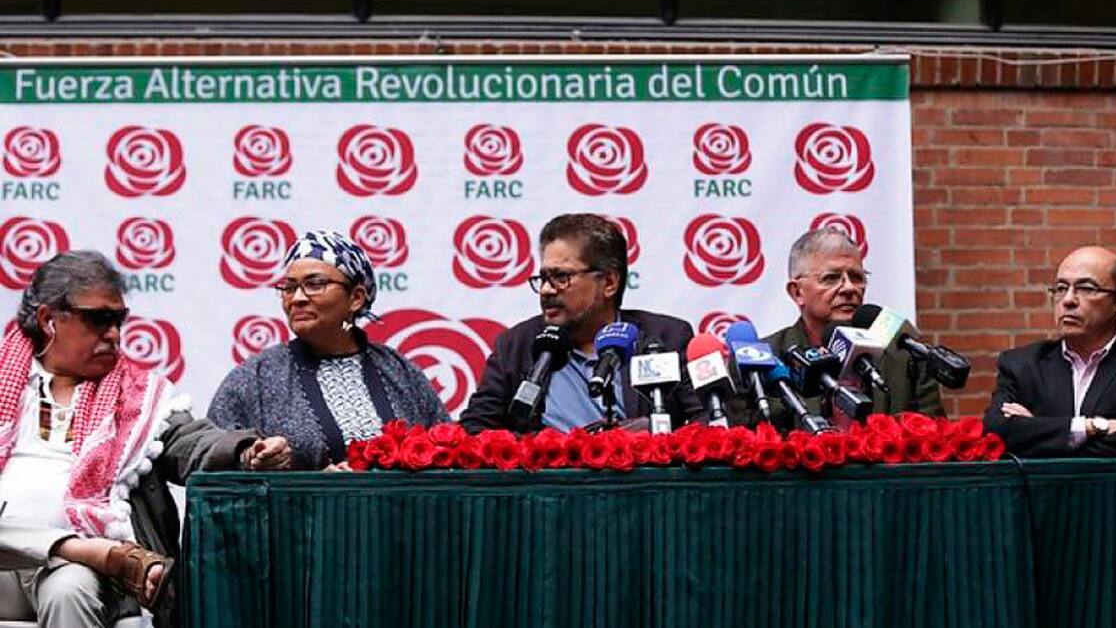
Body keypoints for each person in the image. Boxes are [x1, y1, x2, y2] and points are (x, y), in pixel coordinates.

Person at [0, 250, 290, 628]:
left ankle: (80, 552)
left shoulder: (138, 397)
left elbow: (190, 441)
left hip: (74, 574)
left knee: (69, 590)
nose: (113, 334)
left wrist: (246, 451)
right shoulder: (7, 379)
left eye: (118, 320)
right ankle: (83, 548)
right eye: (98, 319)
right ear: (48, 319)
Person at [209, 230, 447, 470]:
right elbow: (213, 462)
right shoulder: (256, 377)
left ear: (356, 297)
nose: (297, 298)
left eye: (315, 284)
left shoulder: (399, 371)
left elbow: (448, 459)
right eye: (289, 288)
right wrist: (305, 479)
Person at [460, 213, 705, 433]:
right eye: (543, 278)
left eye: (561, 277)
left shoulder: (666, 338)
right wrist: (541, 449)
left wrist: (657, 435)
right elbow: (474, 430)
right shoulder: (516, 345)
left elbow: (708, 422)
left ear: (609, 282)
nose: (546, 289)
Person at [985, 245, 1116, 458]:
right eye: (1061, 288)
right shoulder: (1021, 365)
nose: (1068, 300)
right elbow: (995, 435)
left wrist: (1037, 432)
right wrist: (1091, 427)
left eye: (1086, 288)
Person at [743, 228, 943, 428]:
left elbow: (935, 438)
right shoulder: (760, 363)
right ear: (797, 293)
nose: (849, 288)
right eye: (831, 278)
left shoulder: (906, 358)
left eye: (857, 277)